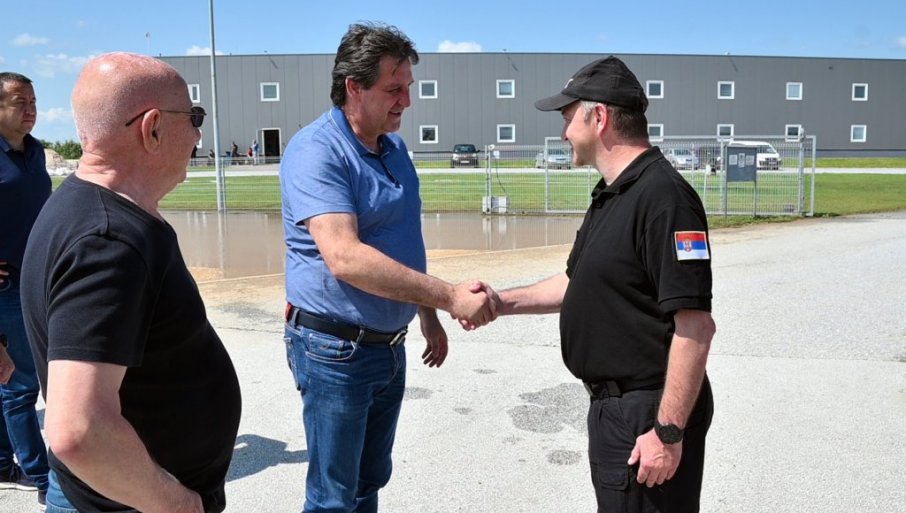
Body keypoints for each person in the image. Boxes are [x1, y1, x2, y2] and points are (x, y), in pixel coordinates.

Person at [476, 56, 716, 513]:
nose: (563, 132)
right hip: (617, 411)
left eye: (568, 117)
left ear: (599, 117)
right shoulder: (614, 193)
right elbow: (575, 283)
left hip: (648, 414)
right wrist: (499, 301)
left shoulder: (665, 199)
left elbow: (695, 327)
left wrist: (667, 433)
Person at [279, 22, 495, 513]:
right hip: (335, 350)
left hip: (387, 347)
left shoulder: (394, 149)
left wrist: (427, 315)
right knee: (333, 497)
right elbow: (345, 257)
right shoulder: (317, 150)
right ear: (354, 87)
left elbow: (403, 240)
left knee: (368, 480)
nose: (407, 101)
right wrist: (449, 296)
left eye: (408, 88)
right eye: (394, 89)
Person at [20, 52, 241, 513]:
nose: (198, 135)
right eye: (194, 118)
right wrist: (179, 505)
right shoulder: (108, 240)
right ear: (153, 128)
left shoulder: (82, 206)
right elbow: (79, 431)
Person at [0, 71, 51, 509]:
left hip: (37, 280)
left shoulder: (34, 152)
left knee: (7, 381)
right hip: (7, 288)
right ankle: (42, 476)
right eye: (20, 101)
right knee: (20, 386)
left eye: (33, 101)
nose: (30, 108)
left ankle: (2, 463)